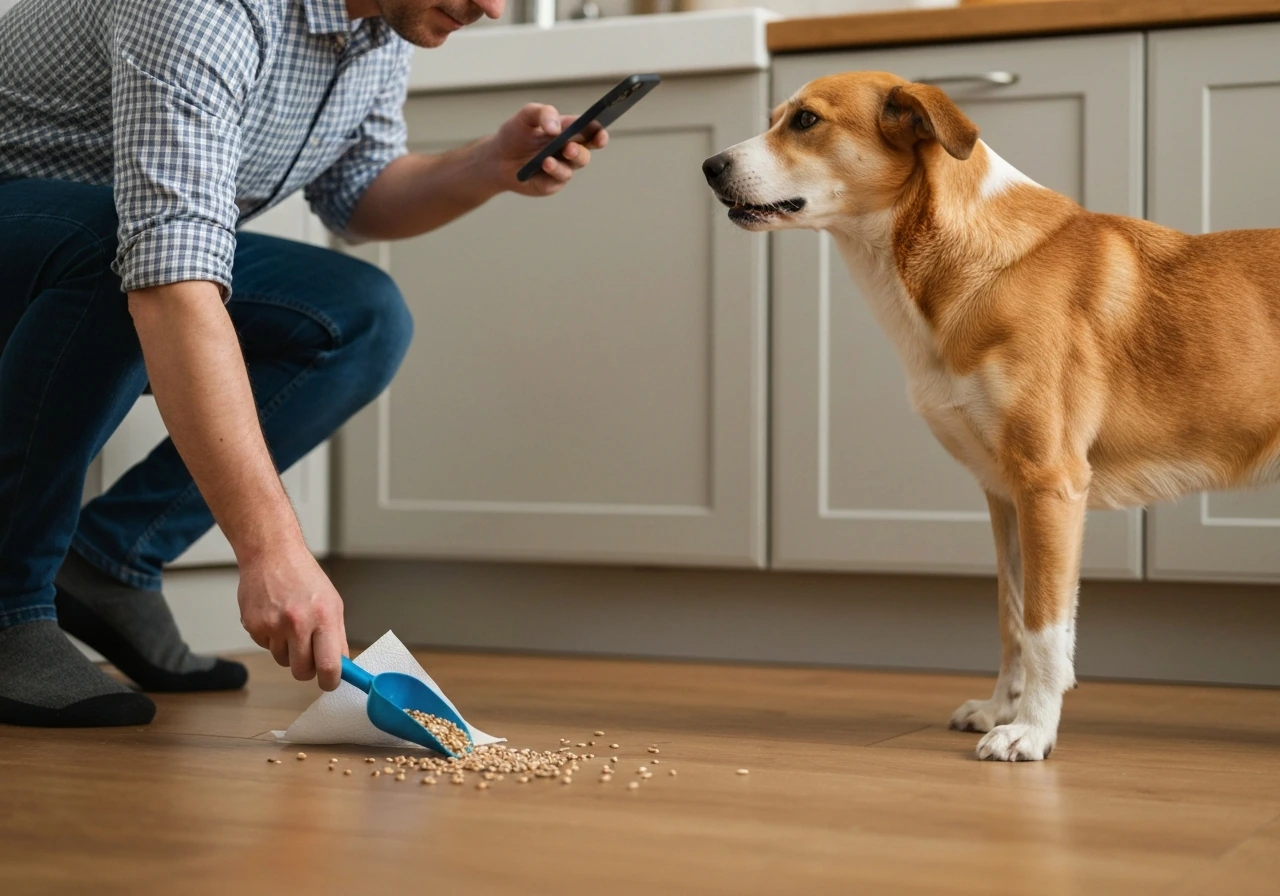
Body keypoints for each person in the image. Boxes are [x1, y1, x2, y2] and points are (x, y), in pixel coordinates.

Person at [0, 0, 608, 727]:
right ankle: (8, 602)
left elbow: (361, 195)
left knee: (360, 314)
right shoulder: (208, 8)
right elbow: (166, 279)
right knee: (124, 250)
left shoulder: (380, 23)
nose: (493, 7)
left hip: (103, 225)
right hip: (44, 219)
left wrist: (488, 165)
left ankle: (110, 561)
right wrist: (271, 550)